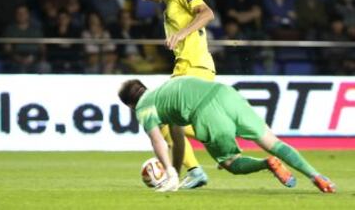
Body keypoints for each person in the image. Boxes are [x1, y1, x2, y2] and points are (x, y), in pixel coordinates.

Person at [118, 76, 336, 193]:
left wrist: (170, 175)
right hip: (226, 93)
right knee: (272, 141)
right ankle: (317, 176)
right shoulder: (165, 93)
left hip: (206, 112)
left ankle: (267, 164)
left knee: (230, 162)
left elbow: (158, 140)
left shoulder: (143, 107)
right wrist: (174, 171)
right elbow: (177, 141)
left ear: (130, 105)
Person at [128, 0, 216, 189]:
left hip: (196, 68)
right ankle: (205, 157)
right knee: (167, 121)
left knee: (159, 117)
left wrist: (182, 33)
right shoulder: (168, 7)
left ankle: (199, 162)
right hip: (184, 69)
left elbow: (207, 13)